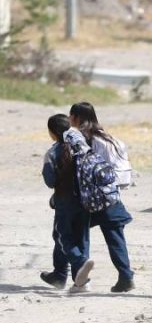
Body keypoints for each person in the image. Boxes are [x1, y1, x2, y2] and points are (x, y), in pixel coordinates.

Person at [69, 103, 135, 293]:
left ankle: (81, 280)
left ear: (75, 117)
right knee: (116, 238)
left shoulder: (81, 139)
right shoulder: (110, 138)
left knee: (77, 234)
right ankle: (126, 277)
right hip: (111, 197)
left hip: (88, 198)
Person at [40, 115, 94, 293]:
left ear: (52, 133)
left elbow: (50, 181)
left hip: (64, 201)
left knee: (62, 237)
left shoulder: (53, 152)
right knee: (81, 237)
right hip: (86, 199)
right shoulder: (82, 146)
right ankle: (68, 278)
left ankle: (78, 264)